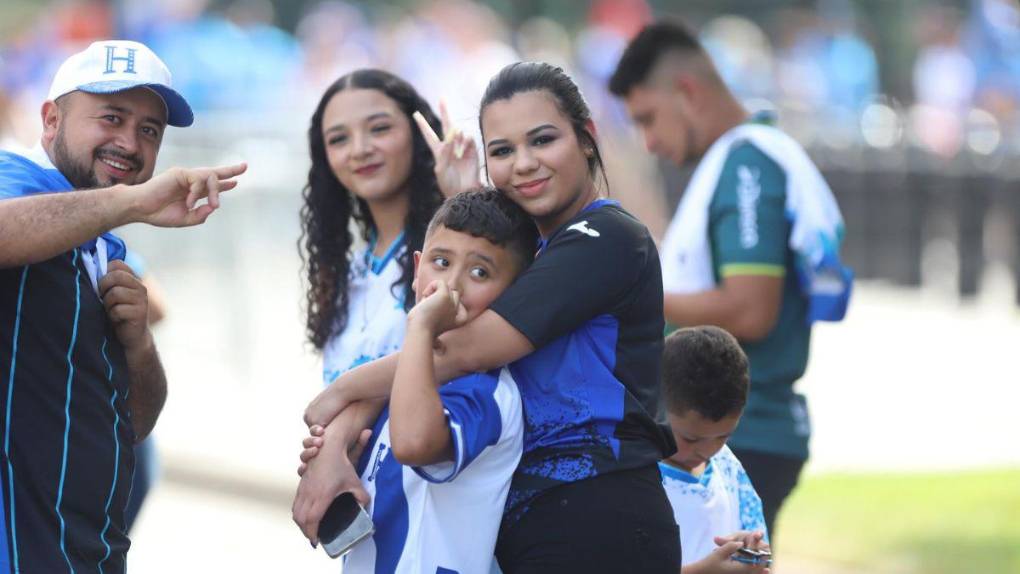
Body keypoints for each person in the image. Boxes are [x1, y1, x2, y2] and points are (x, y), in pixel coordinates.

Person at [295, 61, 679, 574]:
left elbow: (458, 351)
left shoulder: (605, 236)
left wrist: (340, 392)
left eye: (542, 140)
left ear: (587, 137)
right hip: (529, 525)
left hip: (599, 513)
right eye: (501, 151)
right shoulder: (536, 254)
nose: (523, 164)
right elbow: (447, 336)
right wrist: (340, 437)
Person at [0, 40, 245, 571]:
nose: (130, 143)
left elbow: (134, 425)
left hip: (86, 550)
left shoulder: (105, 248)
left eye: (149, 130)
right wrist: (132, 202)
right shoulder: (12, 178)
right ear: (51, 120)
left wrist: (138, 345)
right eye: (111, 117)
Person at [609, 21, 852, 540]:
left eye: (648, 119)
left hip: (738, 431)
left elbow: (750, 310)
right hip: (729, 429)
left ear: (687, 92)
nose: (649, 142)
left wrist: (634, 295)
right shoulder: (744, 157)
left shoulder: (747, 166)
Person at [299, 188, 536, 573]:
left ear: (516, 293)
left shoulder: (489, 392)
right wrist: (336, 461)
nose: (451, 286)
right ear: (416, 268)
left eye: (480, 272)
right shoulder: (408, 374)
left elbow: (414, 444)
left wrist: (421, 324)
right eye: (441, 262)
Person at [300, 68, 478, 386]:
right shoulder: (347, 275)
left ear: (415, 133)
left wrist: (465, 197)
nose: (360, 149)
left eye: (379, 128)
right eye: (339, 139)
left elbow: (463, 354)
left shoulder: (449, 252)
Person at [659, 326, 770, 574]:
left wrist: (752, 554)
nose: (708, 451)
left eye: (723, 436)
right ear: (652, 403)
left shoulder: (727, 466)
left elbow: (757, 536)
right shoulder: (627, 472)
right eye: (690, 438)